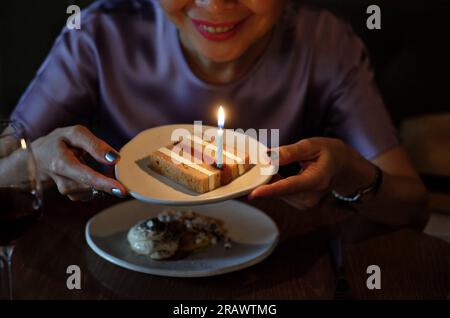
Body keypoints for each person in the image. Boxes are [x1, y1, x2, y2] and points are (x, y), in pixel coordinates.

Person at [4, 0, 428, 227]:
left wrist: (351, 172)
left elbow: (413, 208)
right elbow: (7, 161)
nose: (215, 3)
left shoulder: (324, 44)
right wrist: (30, 165)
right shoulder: (99, 34)